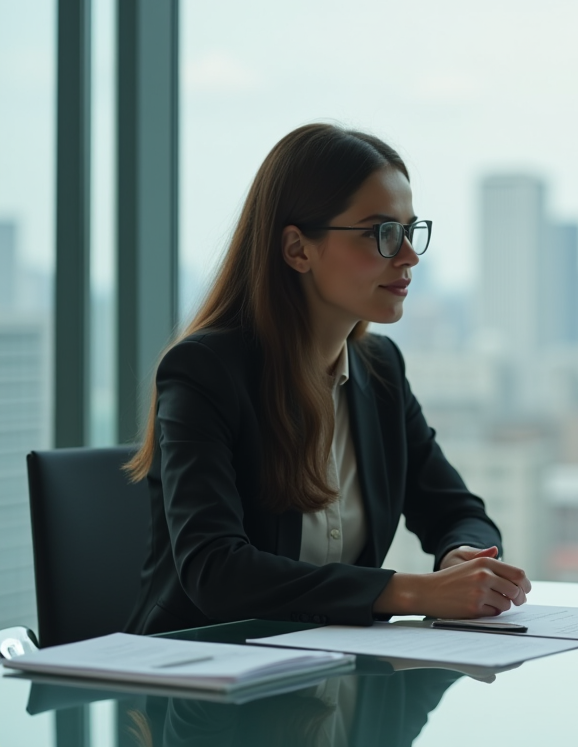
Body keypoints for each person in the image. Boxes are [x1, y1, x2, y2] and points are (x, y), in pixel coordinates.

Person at [125, 123, 531, 635]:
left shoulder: (380, 370)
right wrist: (410, 592)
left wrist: (462, 556)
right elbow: (216, 570)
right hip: (201, 665)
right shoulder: (205, 371)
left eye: (410, 230)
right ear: (298, 249)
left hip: (330, 662)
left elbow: (456, 510)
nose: (409, 255)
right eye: (381, 233)